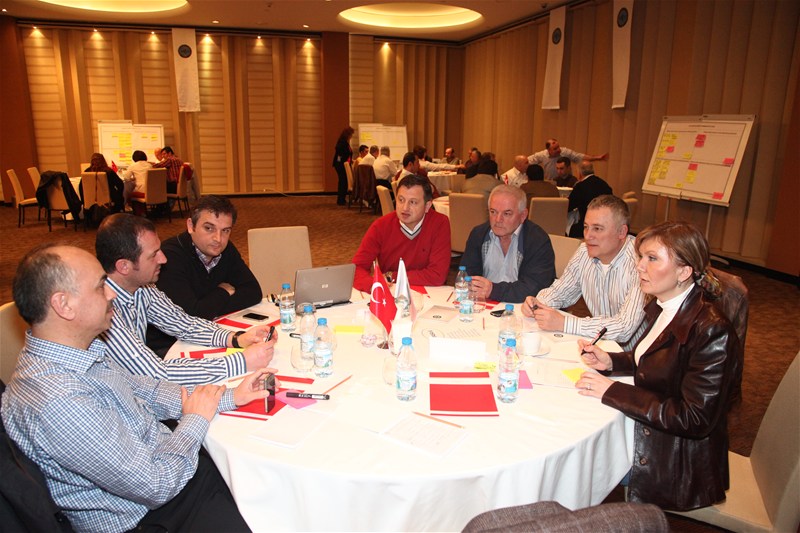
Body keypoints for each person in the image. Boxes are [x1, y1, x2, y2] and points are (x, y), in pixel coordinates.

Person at [2, 243, 273, 532]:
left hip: (171, 465)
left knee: (262, 483)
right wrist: (195, 419)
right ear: (63, 305)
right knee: (268, 508)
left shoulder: (79, 351)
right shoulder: (59, 401)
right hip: (153, 516)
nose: (111, 295)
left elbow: (148, 391)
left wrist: (228, 397)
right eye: (100, 287)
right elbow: (155, 485)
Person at [577, 221, 739, 511]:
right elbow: (658, 362)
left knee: (582, 461)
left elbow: (694, 418)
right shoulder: (667, 306)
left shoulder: (711, 329)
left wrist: (613, 390)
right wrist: (611, 361)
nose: (640, 266)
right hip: (655, 432)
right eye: (641, 257)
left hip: (674, 461)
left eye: (652, 258)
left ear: (684, 271)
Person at [96, 213, 276, 381]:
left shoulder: (142, 288)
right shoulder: (101, 308)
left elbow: (184, 324)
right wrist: (241, 362)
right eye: (153, 255)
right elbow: (157, 373)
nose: (163, 259)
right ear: (124, 266)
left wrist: (237, 338)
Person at [523, 195, 646, 348]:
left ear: (621, 232)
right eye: (586, 227)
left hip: (633, 356)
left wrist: (565, 323)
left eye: (597, 229)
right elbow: (561, 291)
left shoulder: (641, 263)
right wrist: (538, 304)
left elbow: (624, 327)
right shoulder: (584, 252)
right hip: (597, 347)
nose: (588, 236)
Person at [150, 195, 262, 353]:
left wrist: (206, 307)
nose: (218, 239)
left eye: (225, 231)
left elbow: (253, 292)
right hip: (169, 346)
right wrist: (223, 292)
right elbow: (189, 317)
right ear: (191, 226)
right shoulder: (170, 256)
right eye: (209, 228)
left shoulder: (226, 250)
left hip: (211, 333)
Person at [352, 173, 450, 291]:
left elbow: (437, 275)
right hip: (391, 291)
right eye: (401, 200)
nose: (405, 208)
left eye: (413, 202)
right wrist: (374, 285)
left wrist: (392, 276)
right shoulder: (381, 226)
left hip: (430, 291)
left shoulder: (439, 223)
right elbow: (356, 268)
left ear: (427, 206)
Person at [461, 185, 555, 303]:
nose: (498, 219)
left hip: (523, 307)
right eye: (493, 212)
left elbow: (535, 287)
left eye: (507, 214)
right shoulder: (478, 235)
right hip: (484, 304)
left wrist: (493, 290)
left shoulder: (537, 240)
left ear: (523, 215)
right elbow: (467, 274)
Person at [568, 161, 613, 238]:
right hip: (605, 223)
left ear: (579, 173)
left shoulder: (580, 186)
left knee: (572, 229)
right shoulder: (605, 184)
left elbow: (569, 206)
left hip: (587, 224)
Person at [528, 138, 608, 181]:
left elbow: (579, 157)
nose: (559, 150)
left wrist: (597, 158)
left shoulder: (565, 152)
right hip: (551, 183)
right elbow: (527, 161)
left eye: (558, 147)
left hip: (567, 182)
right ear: (549, 150)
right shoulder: (542, 155)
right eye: (555, 149)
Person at [332, 126, 354, 205]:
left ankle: (342, 199)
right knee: (342, 181)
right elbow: (342, 153)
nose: (351, 136)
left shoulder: (345, 142)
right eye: (351, 134)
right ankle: (340, 200)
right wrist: (346, 161)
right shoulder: (342, 143)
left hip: (342, 164)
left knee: (343, 181)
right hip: (340, 165)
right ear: (347, 134)